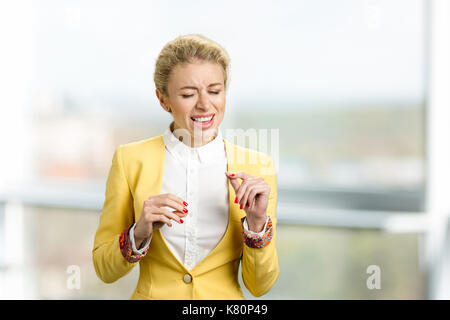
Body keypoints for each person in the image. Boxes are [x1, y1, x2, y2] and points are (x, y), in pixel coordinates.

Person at [92, 34, 279, 299]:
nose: (205, 104)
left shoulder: (258, 167)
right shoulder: (130, 160)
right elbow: (104, 269)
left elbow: (261, 286)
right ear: (163, 99)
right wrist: (139, 232)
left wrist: (257, 224)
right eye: (188, 94)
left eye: (215, 91)